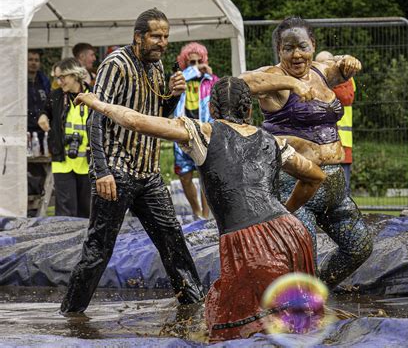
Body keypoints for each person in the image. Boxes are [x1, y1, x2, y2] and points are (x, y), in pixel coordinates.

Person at [74, 76, 326, 341]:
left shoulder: (203, 134)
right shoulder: (273, 142)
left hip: (250, 242)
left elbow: (137, 122)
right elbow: (315, 177)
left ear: (212, 109)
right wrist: (285, 214)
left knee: (242, 332)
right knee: (294, 329)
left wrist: (98, 104)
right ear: (249, 110)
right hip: (294, 236)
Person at [59, 8, 204, 314]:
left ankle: (196, 307)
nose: (162, 42)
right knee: (99, 250)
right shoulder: (116, 64)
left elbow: (157, 118)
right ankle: (70, 315)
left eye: (165, 36)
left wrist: (174, 96)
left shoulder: (156, 65)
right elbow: (95, 116)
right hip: (116, 170)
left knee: (173, 240)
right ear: (138, 37)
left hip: (148, 173)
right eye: (155, 36)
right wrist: (101, 171)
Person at [241, 17, 373, 288]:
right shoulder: (276, 77)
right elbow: (242, 82)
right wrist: (291, 85)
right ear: (279, 51)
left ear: (313, 45)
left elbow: (343, 66)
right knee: (304, 258)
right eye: (288, 48)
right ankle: (303, 311)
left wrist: (349, 62)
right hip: (296, 187)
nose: (296, 54)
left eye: (302, 46)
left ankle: (317, 291)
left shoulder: (321, 72)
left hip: (334, 185)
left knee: (359, 247)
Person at [37, 58, 91, 217]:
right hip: (63, 161)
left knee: (86, 210)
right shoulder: (56, 96)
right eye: (57, 78)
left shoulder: (93, 96)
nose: (59, 82)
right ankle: (66, 241)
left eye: (62, 77)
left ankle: (85, 241)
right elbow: (45, 111)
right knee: (65, 212)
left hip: (87, 163)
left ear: (74, 75)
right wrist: (43, 116)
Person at [174, 42, 219, 220]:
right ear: (185, 62)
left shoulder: (211, 80)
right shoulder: (180, 78)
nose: (196, 65)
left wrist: (209, 74)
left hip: (204, 132)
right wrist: (194, 71)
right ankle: (196, 213)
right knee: (184, 175)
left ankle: (206, 217)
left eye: (199, 61)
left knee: (205, 176)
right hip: (181, 131)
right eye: (191, 62)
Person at [316, 51, 356, 195]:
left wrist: (335, 78)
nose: (322, 68)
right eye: (319, 64)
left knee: (342, 190)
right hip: (318, 145)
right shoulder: (312, 79)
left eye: (326, 64)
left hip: (341, 144)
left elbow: (346, 97)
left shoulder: (346, 78)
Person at [27, 49, 51, 151]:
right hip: (25, 130)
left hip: (42, 131)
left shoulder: (44, 82)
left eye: (36, 60)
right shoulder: (19, 81)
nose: (33, 63)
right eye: (30, 59)